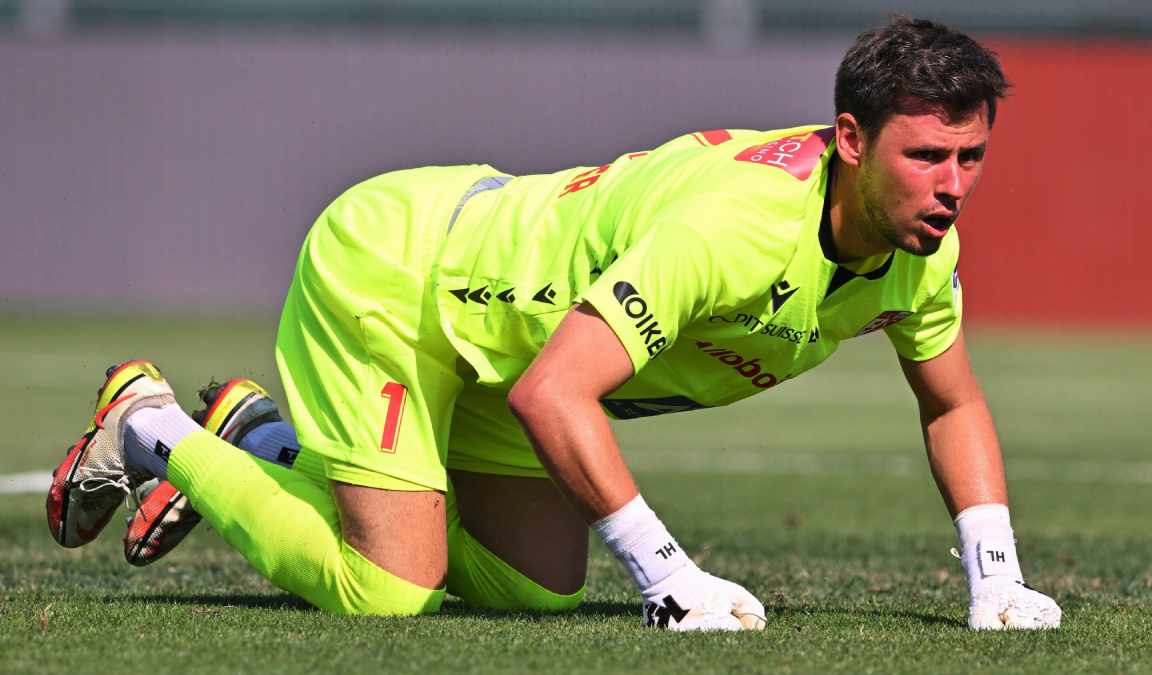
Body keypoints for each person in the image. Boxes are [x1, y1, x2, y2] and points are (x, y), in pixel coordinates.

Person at [47, 16, 1061, 631]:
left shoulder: (918, 248)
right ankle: (153, 426)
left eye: (971, 158)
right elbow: (555, 390)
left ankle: (261, 438)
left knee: (536, 597)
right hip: (399, 273)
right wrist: (671, 580)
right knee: (392, 592)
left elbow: (953, 400)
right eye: (929, 156)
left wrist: (997, 584)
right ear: (849, 139)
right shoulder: (735, 228)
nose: (954, 186)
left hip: (510, 347)